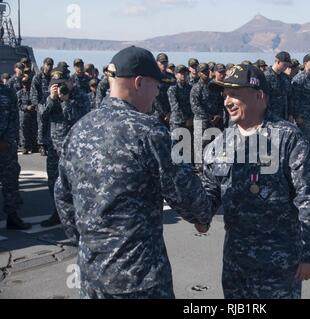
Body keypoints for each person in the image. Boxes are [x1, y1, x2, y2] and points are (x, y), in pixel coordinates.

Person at [54, 46, 214, 299]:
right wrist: (203, 215)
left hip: (92, 274)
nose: (158, 92)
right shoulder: (149, 132)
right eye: (156, 85)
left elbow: (63, 198)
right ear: (139, 83)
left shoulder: (79, 130)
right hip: (140, 279)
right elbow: (187, 194)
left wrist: (88, 245)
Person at [200, 64, 310, 299]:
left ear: (259, 96)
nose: (227, 101)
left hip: (278, 263)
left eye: (235, 94)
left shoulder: (287, 138)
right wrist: (199, 213)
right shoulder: (220, 143)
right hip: (236, 263)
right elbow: (210, 189)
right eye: (225, 95)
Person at [40, 66, 91, 227]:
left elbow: (78, 118)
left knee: (76, 183)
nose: (59, 86)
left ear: (70, 81)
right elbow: (42, 116)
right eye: (56, 83)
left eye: (62, 83)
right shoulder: (49, 96)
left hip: (74, 149)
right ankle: (58, 212)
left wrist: (66, 100)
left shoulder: (81, 96)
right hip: (55, 148)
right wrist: (51, 99)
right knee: (54, 182)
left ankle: (79, 214)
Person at [0, 77, 31, 230]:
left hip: (7, 147)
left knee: (11, 182)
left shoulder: (8, 92)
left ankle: (12, 217)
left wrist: (9, 140)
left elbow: (14, 119)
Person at [31, 58, 54, 156]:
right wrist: (37, 105)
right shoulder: (38, 77)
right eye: (48, 64)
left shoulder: (53, 77)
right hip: (41, 104)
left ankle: (49, 144)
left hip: (51, 103)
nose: (49, 67)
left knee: (50, 125)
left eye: (51, 65)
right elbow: (34, 93)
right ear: (44, 65)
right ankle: (41, 145)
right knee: (41, 125)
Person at [264, 52, 294, 121]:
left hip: (284, 117)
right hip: (270, 117)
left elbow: (289, 97)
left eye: (288, 65)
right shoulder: (266, 77)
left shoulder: (285, 78)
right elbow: (263, 98)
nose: (286, 67)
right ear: (278, 62)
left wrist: (290, 114)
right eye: (285, 64)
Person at [17, 75, 38, 155]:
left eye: (27, 82)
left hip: (33, 114)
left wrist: (33, 106)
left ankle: (33, 146)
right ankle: (24, 147)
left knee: (33, 130)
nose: (25, 84)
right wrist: (26, 107)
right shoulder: (19, 93)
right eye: (24, 83)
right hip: (24, 114)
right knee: (23, 131)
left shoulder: (33, 93)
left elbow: (36, 101)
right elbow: (18, 105)